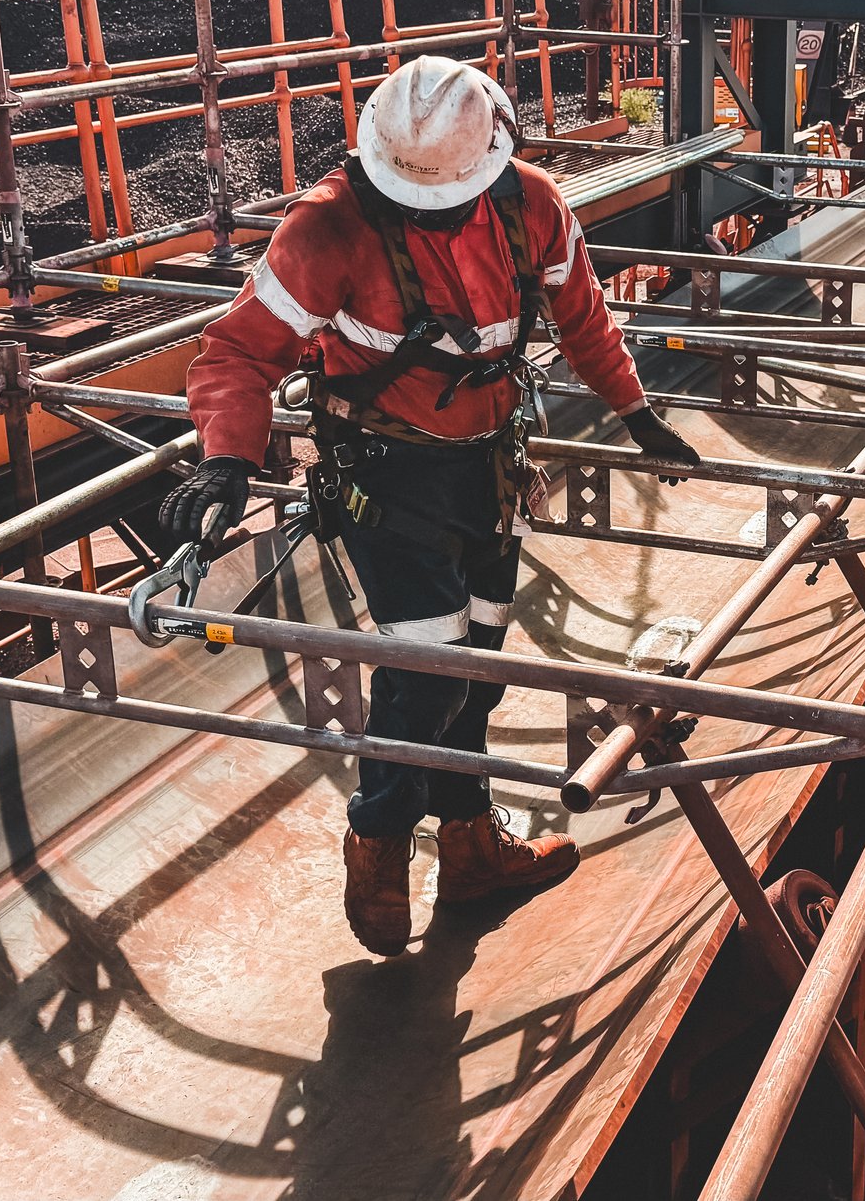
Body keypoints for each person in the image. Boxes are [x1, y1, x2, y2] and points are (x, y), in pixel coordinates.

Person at [159, 55, 700, 956]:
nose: (434, 215)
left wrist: (636, 411)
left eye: (448, 202)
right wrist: (226, 459)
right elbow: (237, 356)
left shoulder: (528, 206)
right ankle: (377, 845)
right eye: (419, 203)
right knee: (427, 666)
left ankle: (469, 844)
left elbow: (583, 315)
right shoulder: (329, 230)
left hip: (487, 468)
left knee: (481, 652)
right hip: (386, 475)